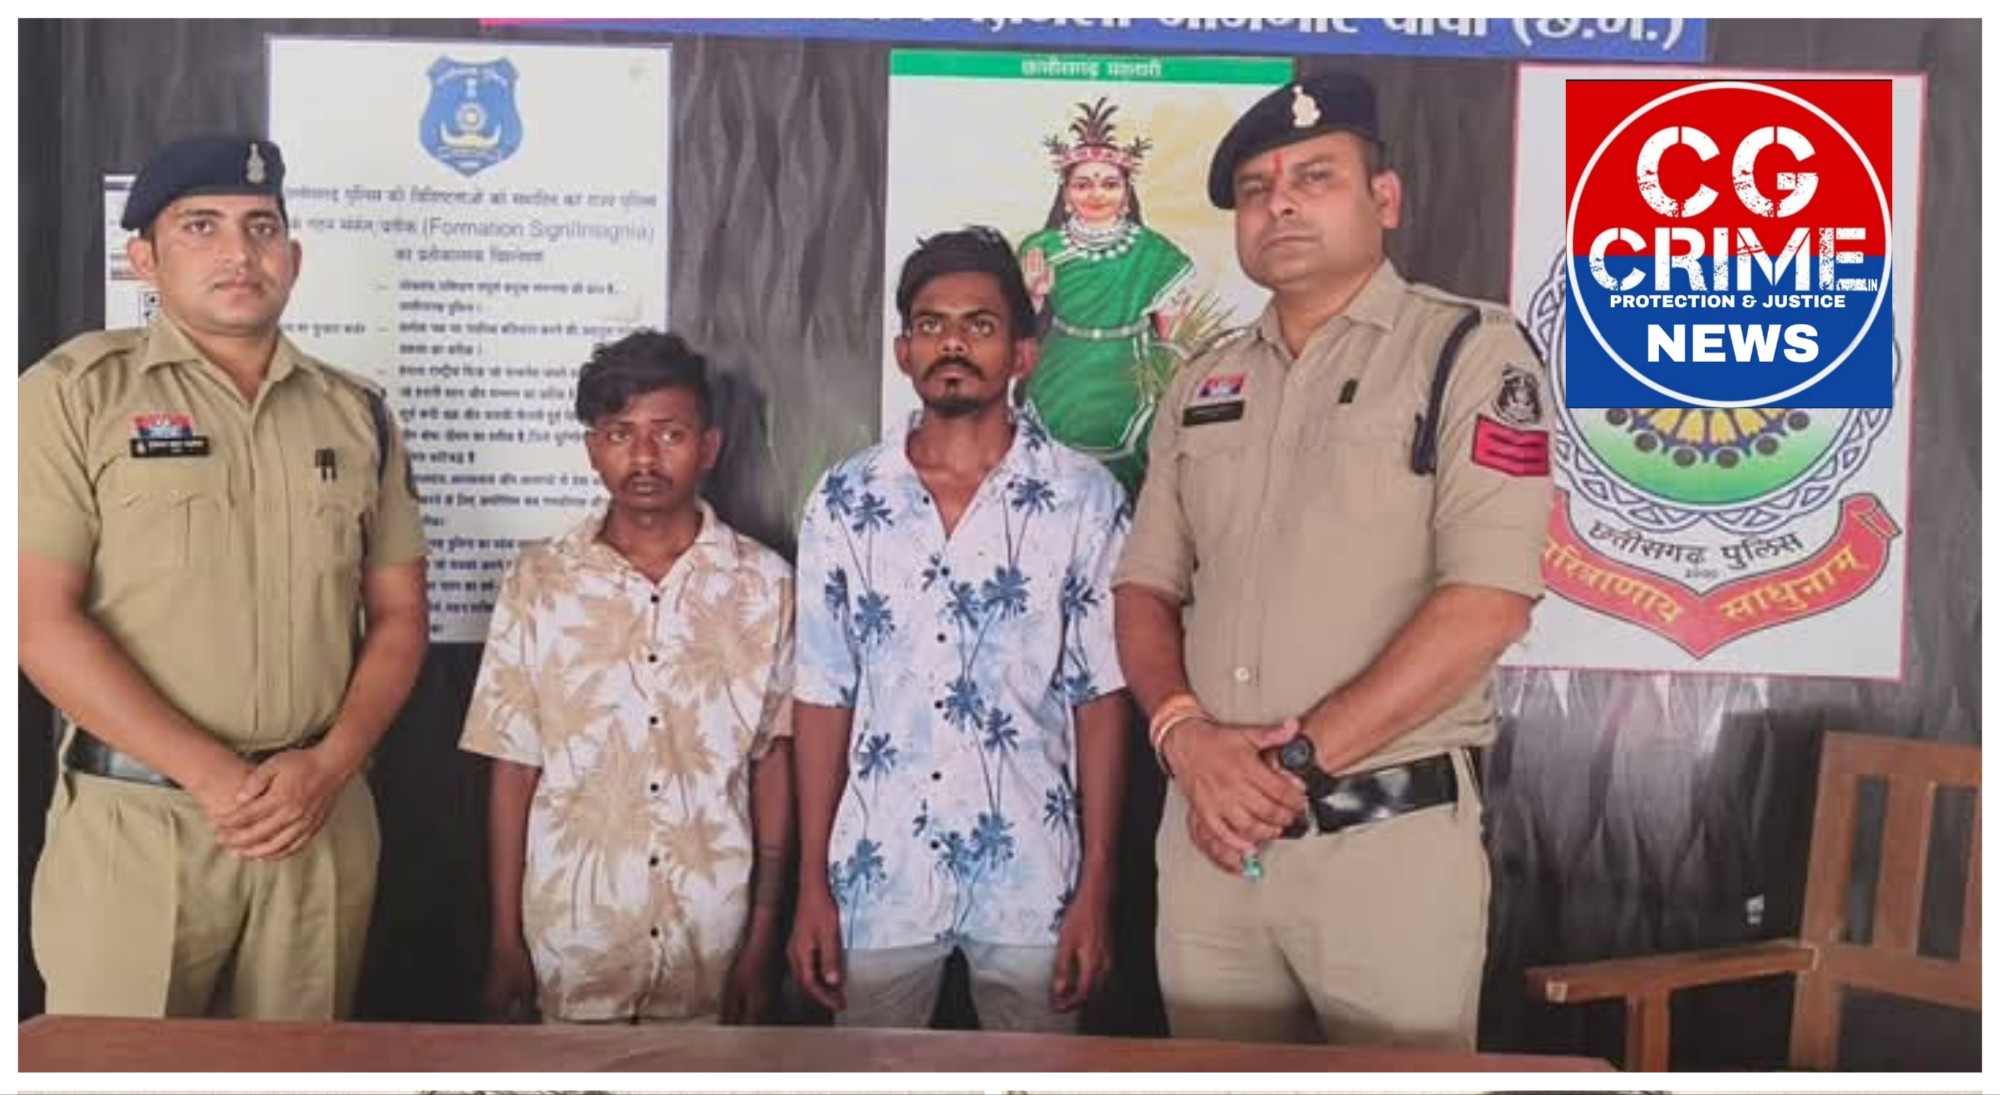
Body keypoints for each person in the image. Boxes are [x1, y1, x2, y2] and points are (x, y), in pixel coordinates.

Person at [1112, 73, 1555, 1049]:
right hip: (1210, 850)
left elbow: (1488, 601)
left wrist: (1287, 768)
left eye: (1314, 177)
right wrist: (1182, 736)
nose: (1280, 204)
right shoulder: (1203, 379)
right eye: (1257, 189)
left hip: (1381, 851)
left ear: (1383, 200)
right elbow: (1144, 586)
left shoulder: (1467, 352)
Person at [18, 135, 430, 1019]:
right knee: (115, 1074)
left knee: (297, 1074)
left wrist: (331, 764)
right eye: (200, 226)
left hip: (316, 817)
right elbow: (37, 619)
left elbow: (399, 615)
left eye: (261, 227)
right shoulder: (71, 395)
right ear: (144, 259)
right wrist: (210, 775)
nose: (239, 252)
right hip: (140, 824)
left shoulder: (356, 412)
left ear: (294, 257)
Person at [787, 227, 1130, 1032]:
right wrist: (811, 883)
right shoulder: (844, 498)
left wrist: (1097, 886)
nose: (953, 343)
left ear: (1022, 353)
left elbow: (1101, 698)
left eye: (979, 325)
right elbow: (823, 694)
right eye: (932, 324)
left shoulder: (1084, 499)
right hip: (877, 873)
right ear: (903, 351)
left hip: (1034, 878)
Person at [459, 330, 796, 1026]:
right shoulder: (539, 582)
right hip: (572, 944)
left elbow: (772, 765)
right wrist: (503, 941)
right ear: (593, 449)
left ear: (709, 446)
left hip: (713, 946)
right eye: (620, 433)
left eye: (670, 433)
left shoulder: (765, 586)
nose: (644, 457)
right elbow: (514, 767)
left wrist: (762, 941)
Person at [1017, 96, 1197, 496]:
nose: (1096, 194)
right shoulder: (1041, 247)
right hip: (1061, 367)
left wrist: (1168, 375)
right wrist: (1033, 296)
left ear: (1127, 194)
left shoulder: (1154, 251)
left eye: (1110, 184)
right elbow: (1021, 326)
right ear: (1066, 195)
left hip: (1129, 369)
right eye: (1083, 184)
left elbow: (1170, 330)